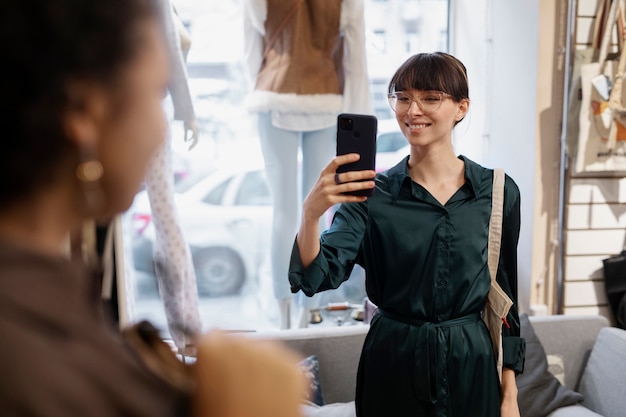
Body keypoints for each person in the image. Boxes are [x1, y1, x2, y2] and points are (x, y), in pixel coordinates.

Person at [0, 1, 306, 416]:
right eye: (155, 91)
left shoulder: (53, 315)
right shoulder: (36, 363)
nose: (162, 126)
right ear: (85, 113)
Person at [289, 52, 525, 417]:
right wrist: (310, 215)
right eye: (402, 97)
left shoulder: (497, 191)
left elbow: (505, 298)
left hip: (471, 364)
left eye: (430, 98)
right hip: (393, 363)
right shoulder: (369, 194)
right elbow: (318, 275)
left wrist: (509, 396)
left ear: (461, 108)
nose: (413, 110)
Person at [243, 0, 372, 328]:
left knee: (284, 212)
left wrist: (254, 93)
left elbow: (251, 51)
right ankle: (307, 307)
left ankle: (284, 309)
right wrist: (358, 116)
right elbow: (356, 59)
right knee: (318, 209)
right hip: (327, 99)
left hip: (273, 98)